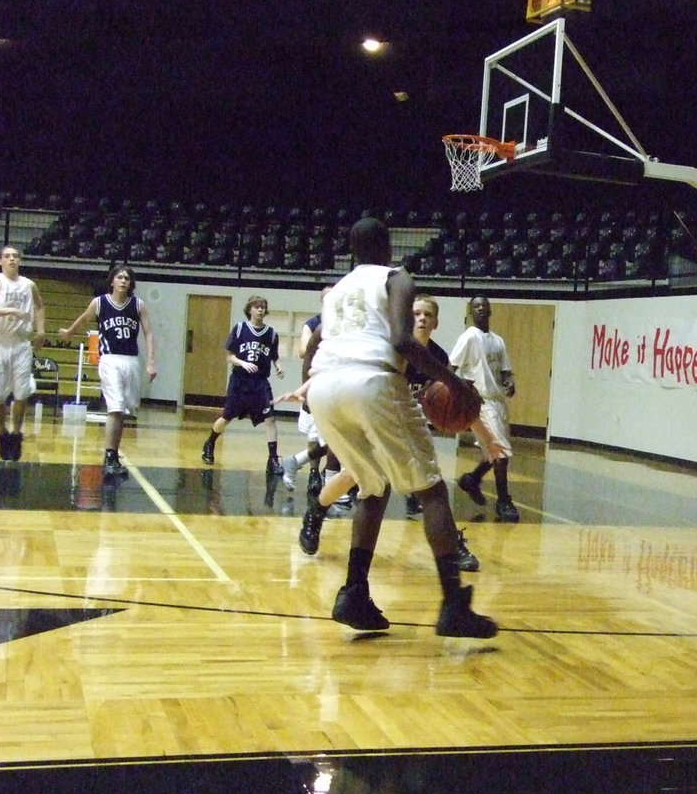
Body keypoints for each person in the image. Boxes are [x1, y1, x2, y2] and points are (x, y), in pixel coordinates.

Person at [289, 217, 495, 638]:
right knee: (432, 489)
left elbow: (311, 351)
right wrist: (454, 382)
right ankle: (453, 604)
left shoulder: (338, 290)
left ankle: (354, 592)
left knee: (372, 485)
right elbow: (402, 341)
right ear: (387, 248)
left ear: (352, 250)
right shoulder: (396, 277)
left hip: (325, 388)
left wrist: (314, 384)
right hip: (371, 380)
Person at [58, 265, 158, 478]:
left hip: (131, 360)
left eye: (127, 278)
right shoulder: (100, 302)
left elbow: (149, 334)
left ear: (131, 283)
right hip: (110, 359)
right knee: (115, 407)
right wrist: (69, 332)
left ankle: (111, 455)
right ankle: (110, 455)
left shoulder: (138, 305)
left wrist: (150, 362)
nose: (123, 281)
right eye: (120, 277)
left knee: (123, 410)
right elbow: (84, 318)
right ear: (112, 281)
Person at [450, 295, 520, 523]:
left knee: (495, 451)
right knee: (501, 452)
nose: (480, 309)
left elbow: (505, 371)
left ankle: (472, 479)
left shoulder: (498, 341)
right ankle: (503, 501)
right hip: (478, 402)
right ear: (472, 312)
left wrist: (509, 382)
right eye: (476, 306)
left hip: (497, 401)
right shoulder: (469, 338)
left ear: (490, 311)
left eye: (484, 306)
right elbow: (451, 368)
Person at [0, 246, 46, 461]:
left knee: (22, 392)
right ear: (0, 261)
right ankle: (1, 431)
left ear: (20, 261)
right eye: (7, 256)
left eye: (15, 256)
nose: (12, 259)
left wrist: (41, 330)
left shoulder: (28, 284)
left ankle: (16, 433)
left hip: (21, 343)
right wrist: (9, 310)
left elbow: (40, 305)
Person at [201, 295, 286, 472]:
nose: (260, 310)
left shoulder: (271, 334)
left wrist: (278, 367)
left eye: (263, 307)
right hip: (240, 381)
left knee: (270, 418)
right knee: (226, 417)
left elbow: (274, 356)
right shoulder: (240, 329)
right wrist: (243, 362)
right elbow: (229, 356)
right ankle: (210, 443)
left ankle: (272, 459)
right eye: (257, 307)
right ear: (250, 309)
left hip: (260, 383)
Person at [280, 289, 332, 495]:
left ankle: (333, 486)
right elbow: (303, 352)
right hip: (317, 385)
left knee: (336, 441)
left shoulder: (343, 324)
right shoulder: (314, 326)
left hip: (329, 384)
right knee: (324, 438)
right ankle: (315, 474)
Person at [402, 293, 450, 517]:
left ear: (436, 323)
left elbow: (439, 388)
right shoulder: (397, 347)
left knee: (424, 457)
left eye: (428, 315)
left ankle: (415, 495)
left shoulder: (439, 355)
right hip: (387, 409)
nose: (422, 318)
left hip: (416, 414)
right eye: (416, 313)